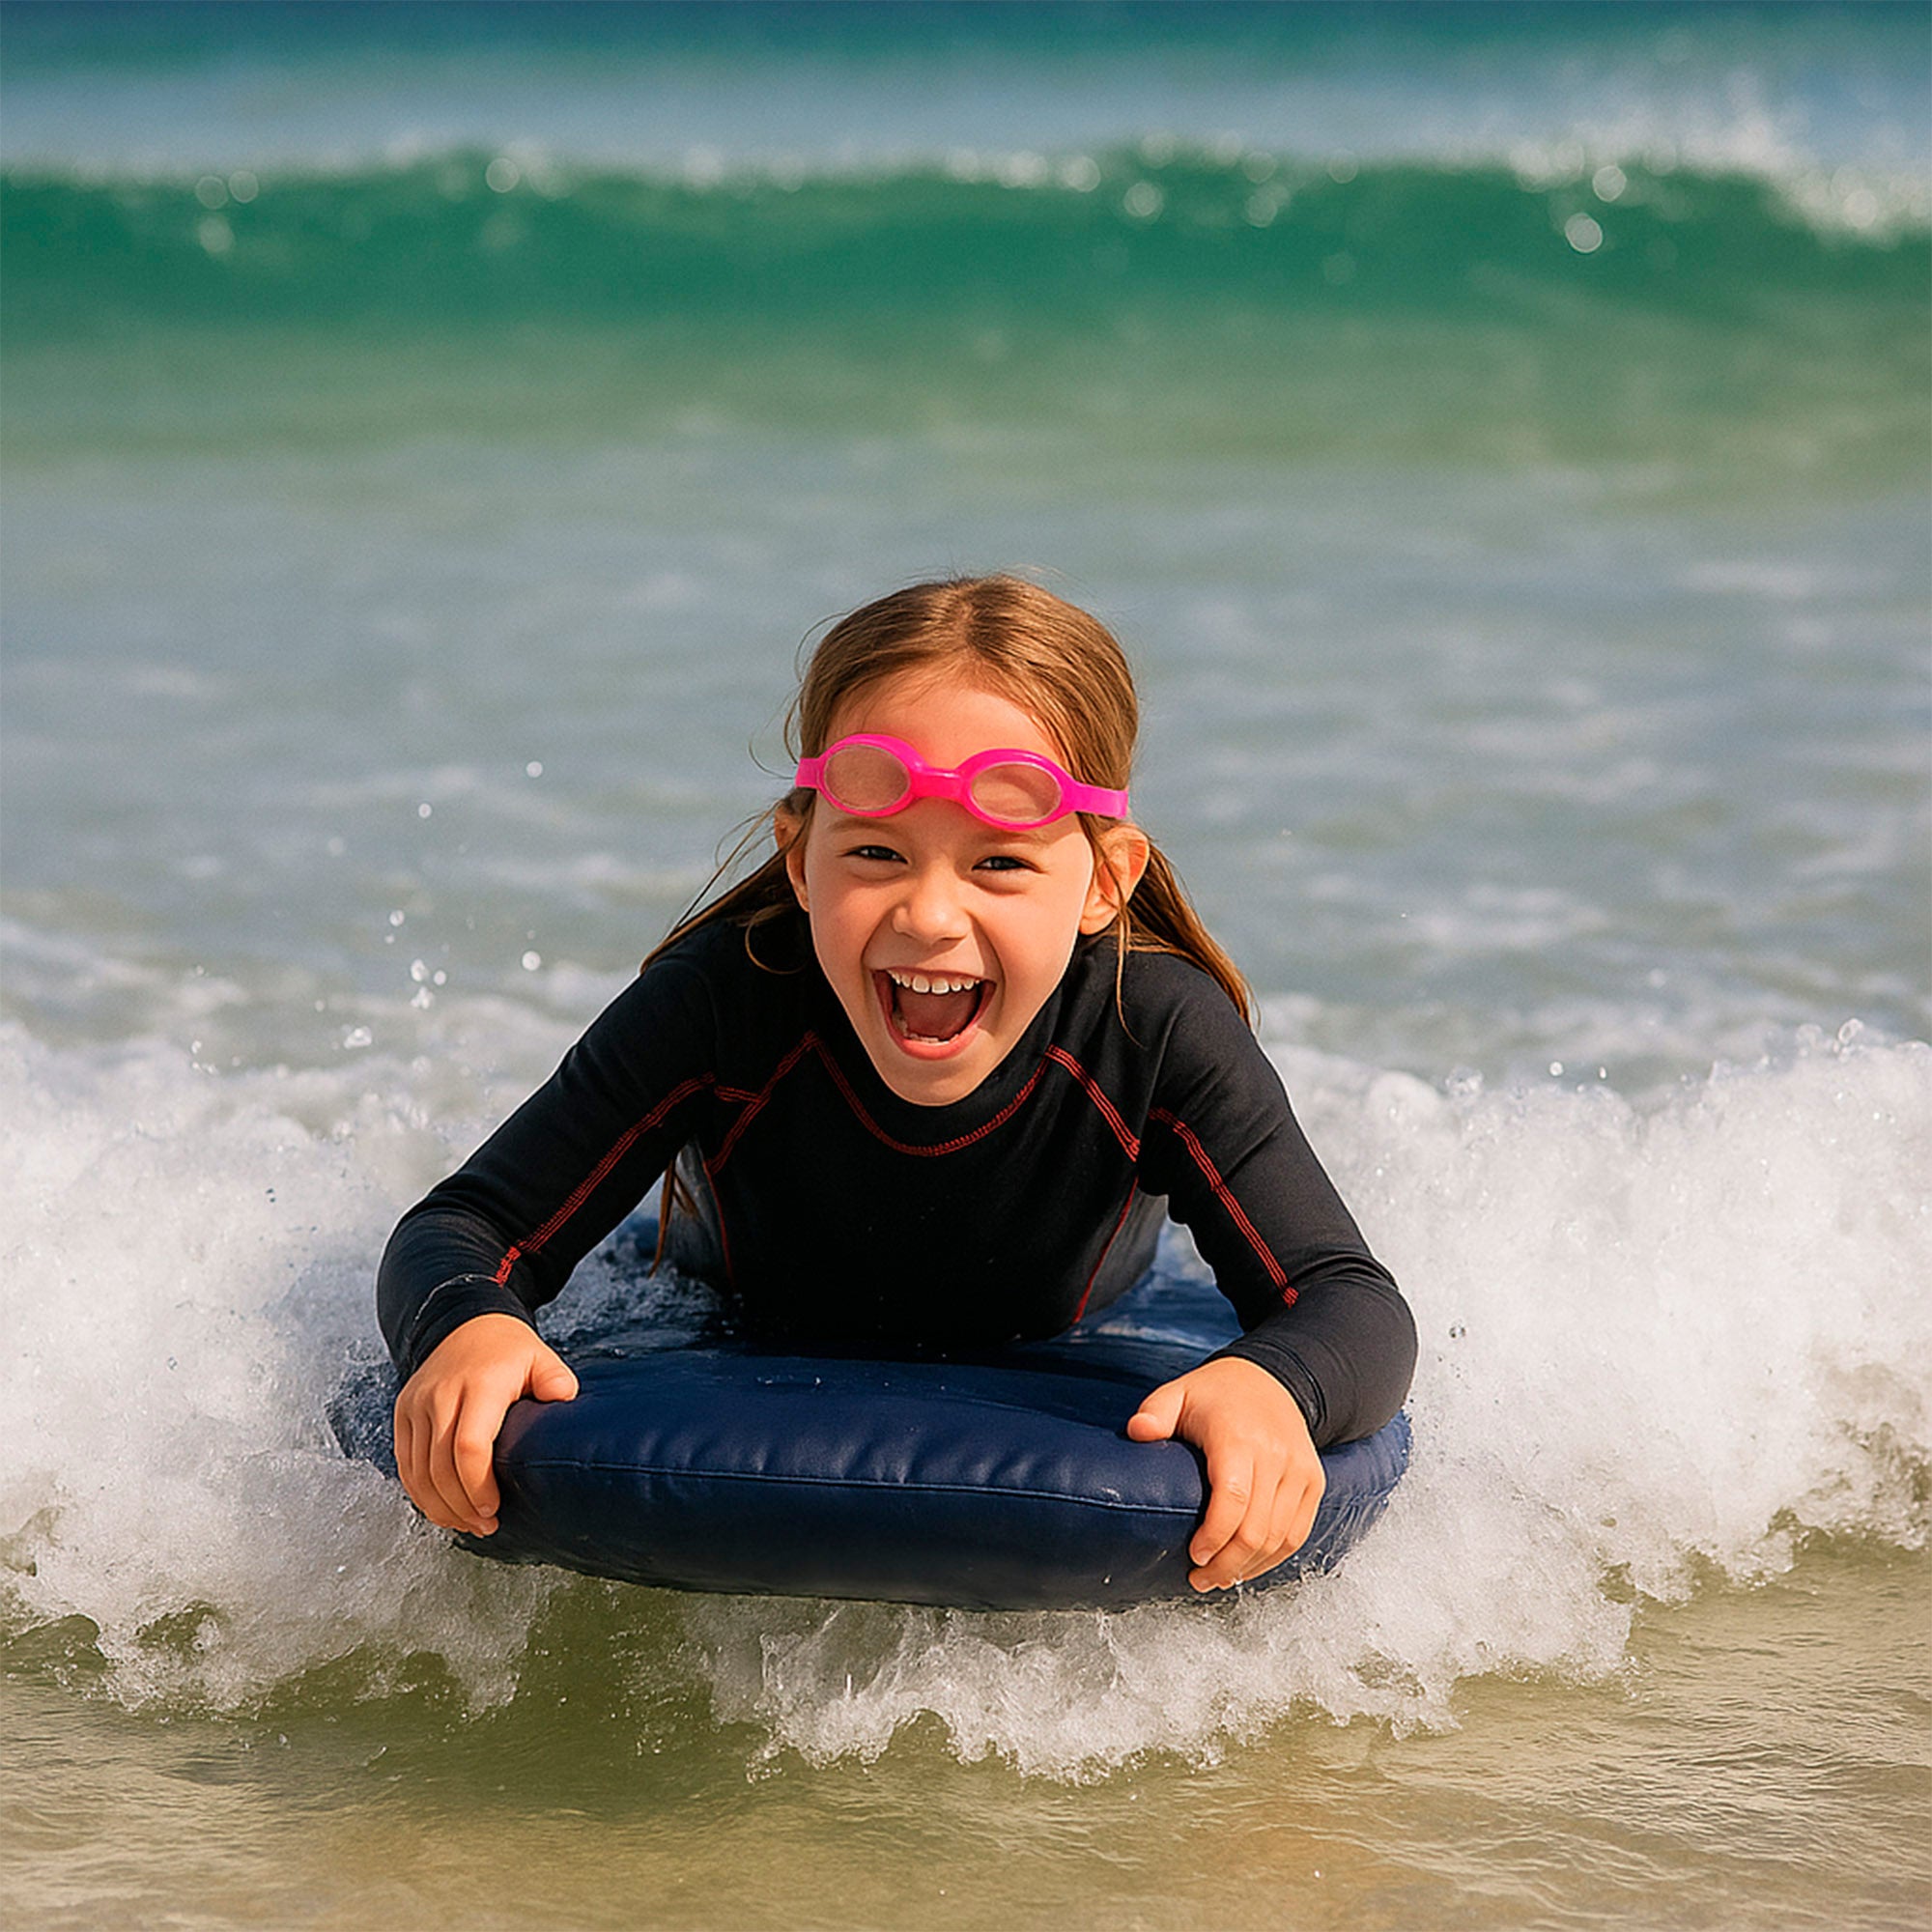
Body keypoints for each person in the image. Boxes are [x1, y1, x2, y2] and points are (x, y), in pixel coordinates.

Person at [379, 576, 1415, 1591]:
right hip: (725, 1313)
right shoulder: (721, 998)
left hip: (1072, 1329)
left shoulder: (1151, 1028)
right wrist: (468, 1321)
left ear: (1104, 880)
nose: (928, 915)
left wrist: (1270, 1381)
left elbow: (1348, 1301)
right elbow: (466, 1223)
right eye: (874, 851)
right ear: (799, 856)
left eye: (998, 864)